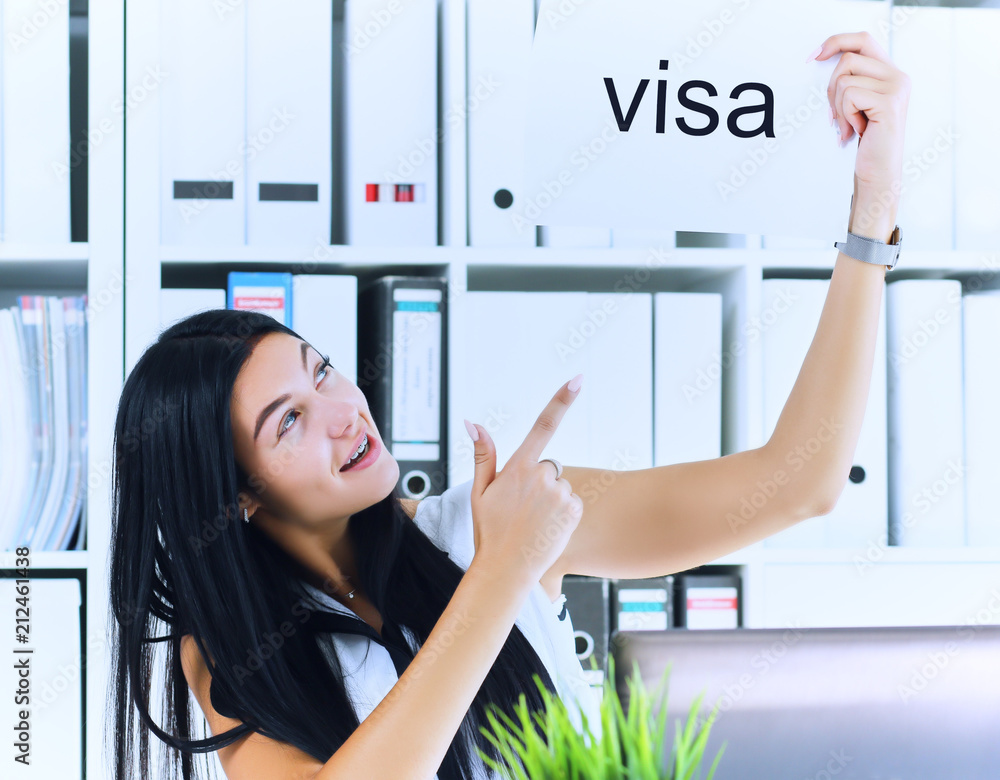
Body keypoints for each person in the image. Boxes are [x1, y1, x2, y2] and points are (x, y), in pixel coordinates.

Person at [108, 30, 910, 780]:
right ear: (238, 495)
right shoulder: (232, 655)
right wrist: (502, 571)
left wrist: (871, 210)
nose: (343, 412)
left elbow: (800, 483)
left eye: (322, 374)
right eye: (288, 421)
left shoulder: (498, 515)